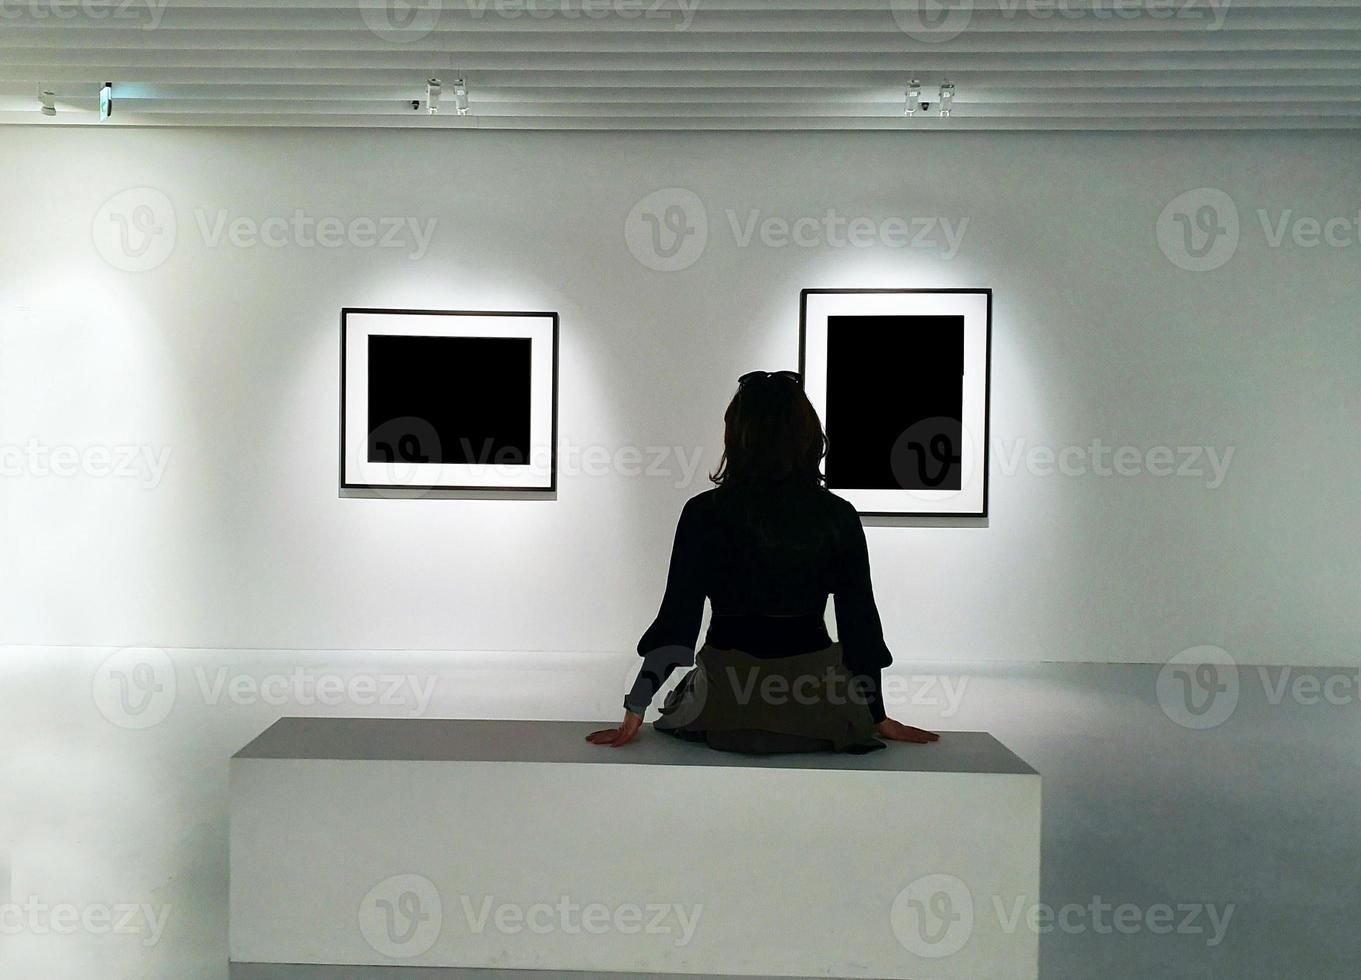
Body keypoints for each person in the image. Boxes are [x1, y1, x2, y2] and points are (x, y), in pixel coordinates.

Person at [587, 370, 939, 753]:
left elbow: (677, 625)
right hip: (812, 699)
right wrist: (876, 715)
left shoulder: (703, 514)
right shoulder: (837, 516)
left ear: (736, 436)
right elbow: (860, 627)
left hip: (724, 701)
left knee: (691, 696)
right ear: (807, 436)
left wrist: (635, 707)